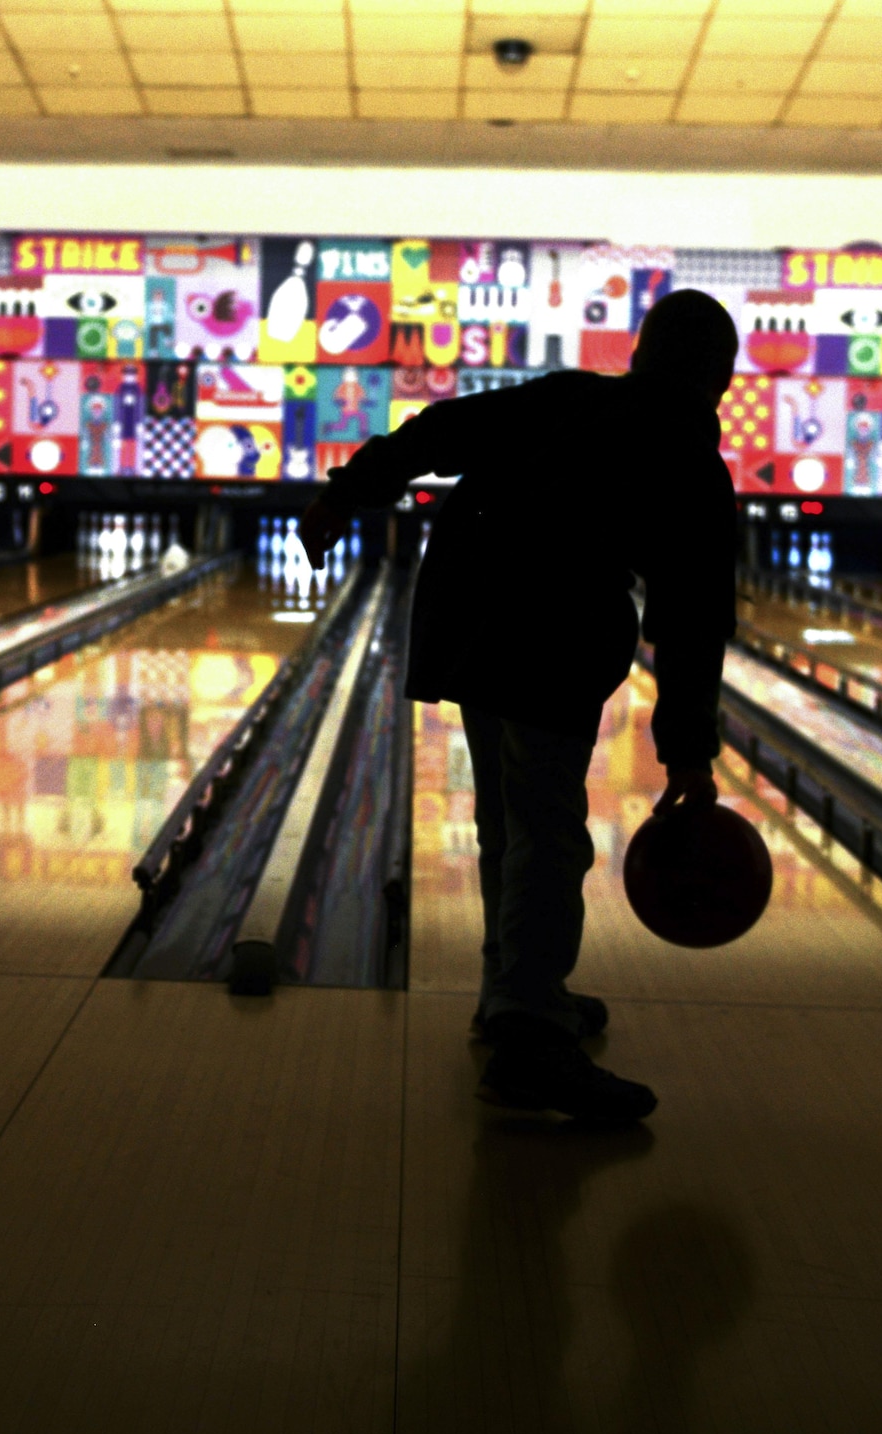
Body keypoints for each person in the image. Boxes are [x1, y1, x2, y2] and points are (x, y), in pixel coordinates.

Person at [299, 288, 741, 1124]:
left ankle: (513, 992)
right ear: (720, 379)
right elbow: (692, 620)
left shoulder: (571, 393)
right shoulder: (689, 457)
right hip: (552, 629)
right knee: (544, 831)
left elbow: (440, 430)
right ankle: (529, 1036)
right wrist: (688, 749)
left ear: (641, 351)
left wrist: (345, 494)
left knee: (510, 819)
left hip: (469, 614)